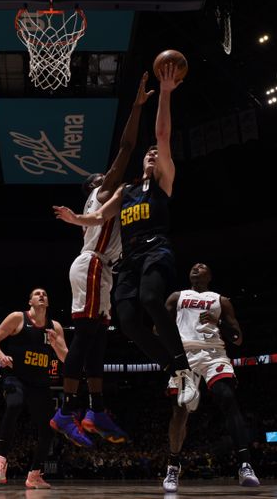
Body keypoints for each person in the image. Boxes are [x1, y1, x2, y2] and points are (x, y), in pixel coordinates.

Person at [53, 62, 196, 404]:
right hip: (124, 262)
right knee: (128, 323)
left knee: (148, 300)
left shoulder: (161, 183)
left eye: (155, 156)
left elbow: (160, 136)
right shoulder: (123, 191)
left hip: (155, 250)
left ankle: (183, 366)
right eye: (147, 155)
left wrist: (163, 94)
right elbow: (101, 215)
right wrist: (77, 220)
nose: (152, 156)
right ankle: (172, 369)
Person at [50, 73, 155, 448]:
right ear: (97, 185)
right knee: (86, 338)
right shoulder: (103, 191)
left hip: (99, 270)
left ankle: (95, 409)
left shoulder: (101, 204)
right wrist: (137, 107)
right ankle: (66, 410)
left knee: (96, 343)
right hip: (93, 265)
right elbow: (127, 147)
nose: (109, 174)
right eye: (104, 176)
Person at [162, 263, 259, 492]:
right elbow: (159, 328)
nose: (197, 268)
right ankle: (173, 466)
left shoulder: (221, 300)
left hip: (214, 354)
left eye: (202, 267)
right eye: (194, 267)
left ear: (210, 276)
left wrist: (219, 322)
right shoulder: (177, 297)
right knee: (180, 411)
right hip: (184, 355)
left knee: (227, 398)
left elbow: (237, 338)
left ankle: (245, 464)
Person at [0, 288, 68, 489]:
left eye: (45, 294)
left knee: (49, 429)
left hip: (39, 382)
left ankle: (34, 475)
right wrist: (1, 356)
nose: (41, 295)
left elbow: (66, 357)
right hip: (16, 377)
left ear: (47, 303)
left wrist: (57, 345)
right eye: (37, 293)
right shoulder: (17, 318)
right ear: (30, 300)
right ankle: (0, 464)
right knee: (14, 404)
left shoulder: (55, 326)